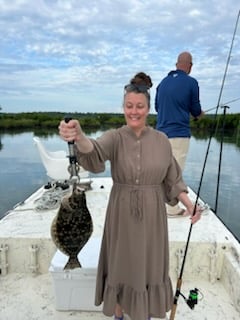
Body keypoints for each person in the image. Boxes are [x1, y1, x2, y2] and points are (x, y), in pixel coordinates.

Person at [58, 72, 202, 320]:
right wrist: (79, 137)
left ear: (149, 109)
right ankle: (119, 315)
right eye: (129, 106)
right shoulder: (115, 137)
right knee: (120, 267)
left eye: (140, 106)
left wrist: (189, 204)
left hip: (153, 218)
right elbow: (94, 151)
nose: (134, 112)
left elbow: (173, 178)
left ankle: (143, 313)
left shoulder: (162, 140)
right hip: (121, 213)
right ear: (123, 107)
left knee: (148, 268)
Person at [155, 51, 204, 217]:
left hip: (159, 135)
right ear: (189, 66)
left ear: (176, 65)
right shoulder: (191, 82)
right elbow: (195, 109)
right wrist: (199, 114)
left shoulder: (162, 84)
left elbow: (157, 108)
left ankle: (159, 204)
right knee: (175, 173)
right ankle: (171, 209)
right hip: (179, 134)